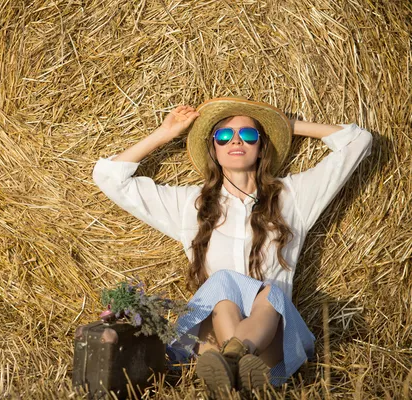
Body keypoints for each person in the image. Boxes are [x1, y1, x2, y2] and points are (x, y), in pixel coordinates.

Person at [91, 97, 373, 395]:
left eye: (249, 135)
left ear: (262, 146)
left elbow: (358, 141)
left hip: (273, 342)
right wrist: (165, 133)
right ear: (213, 149)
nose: (236, 141)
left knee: (269, 294)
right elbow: (109, 177)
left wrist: (286, 125)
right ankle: (235, 363)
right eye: (224, 136)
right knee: (223, 291)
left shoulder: (293, 198)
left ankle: (234, 360)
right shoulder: (190, 204)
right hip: (211, 340)